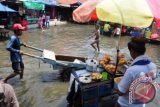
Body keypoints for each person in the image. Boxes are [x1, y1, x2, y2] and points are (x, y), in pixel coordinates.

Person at [115, 37, 157, 107]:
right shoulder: (153, 66)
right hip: (141, 104)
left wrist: (116, 86)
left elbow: (120, 92)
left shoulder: (132, 70)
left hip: (125, 105)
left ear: (132, 51)